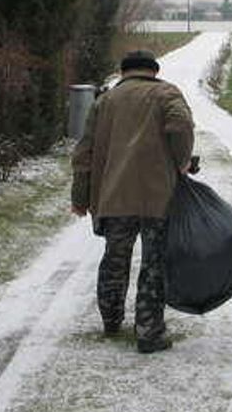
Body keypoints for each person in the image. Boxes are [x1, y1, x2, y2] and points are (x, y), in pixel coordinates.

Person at [71, 49, 195, 353]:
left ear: (124, 71)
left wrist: (80, 197)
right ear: (154, 70)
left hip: (115, 197)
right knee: (154, 263)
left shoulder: (104, 101)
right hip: (158, 198)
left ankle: (112, 320)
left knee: (115, 258)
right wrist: (182, 161)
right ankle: (149, 332)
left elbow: (84, 153)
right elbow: (181, 125)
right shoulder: (167, 94)